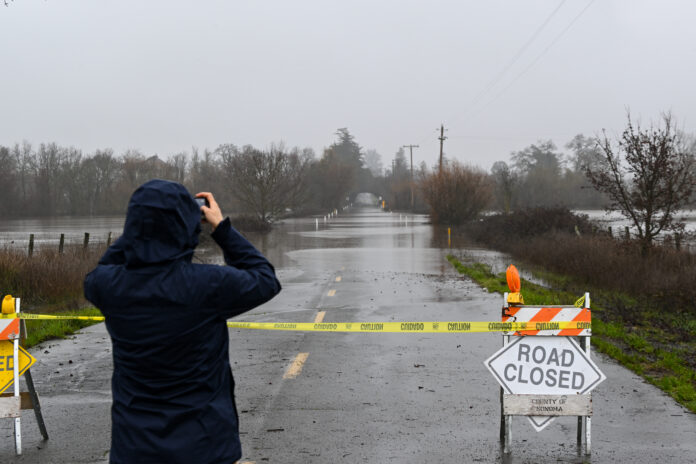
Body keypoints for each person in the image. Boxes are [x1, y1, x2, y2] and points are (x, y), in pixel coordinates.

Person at [84, 179, 281, 464]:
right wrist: (221, 228)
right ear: (187, 225)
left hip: (134, 449)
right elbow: (265, 278)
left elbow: (105, 265)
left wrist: (141, 229)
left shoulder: (108, 286)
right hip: (205, 448)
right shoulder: (208, 285)